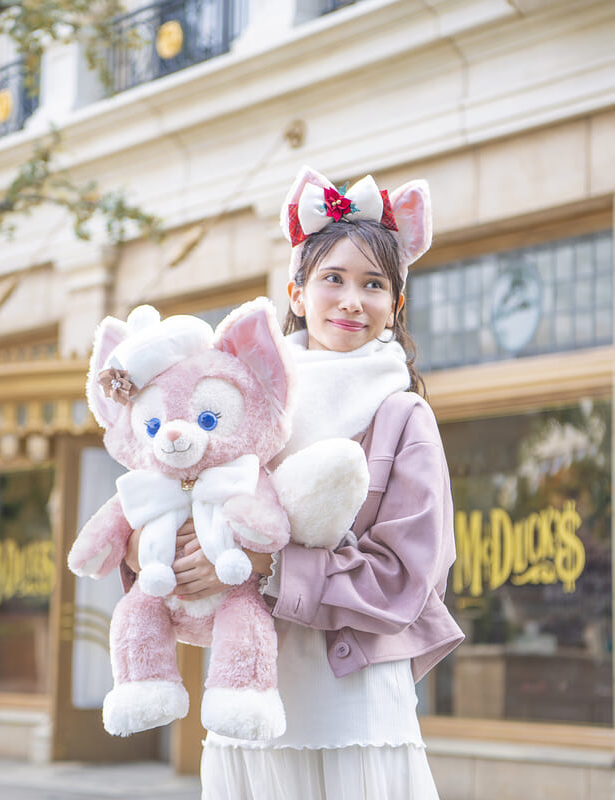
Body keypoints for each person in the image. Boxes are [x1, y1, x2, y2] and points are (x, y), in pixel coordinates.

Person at [146, 166, 465, 800]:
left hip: (353, 706)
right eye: (334, 279)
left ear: (395, 305)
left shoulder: (403, 418)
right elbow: (173, 505)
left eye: (374, 284)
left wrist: (264, 566)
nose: (353, 299)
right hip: (247, 698)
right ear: (296, 293)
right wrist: (160, 555)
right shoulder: (246, 403)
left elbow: (406, 575)